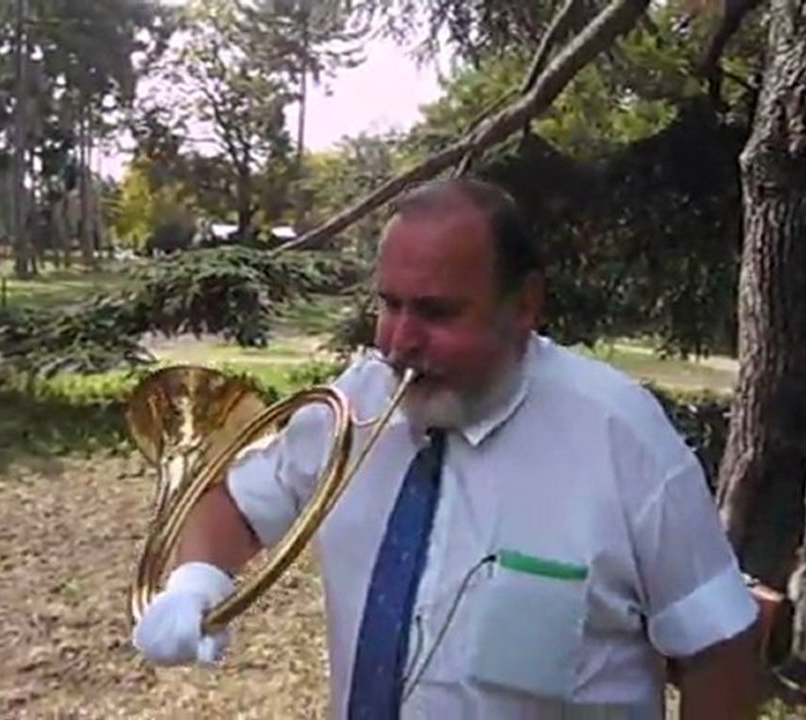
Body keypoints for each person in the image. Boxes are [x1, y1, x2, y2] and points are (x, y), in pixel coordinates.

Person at [132, 178, 762, 719]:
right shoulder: (357, 401)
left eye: (435, 312)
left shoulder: (620, 436)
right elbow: (235, 506)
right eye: (389, 304)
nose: (399, 341)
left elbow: (717, 647)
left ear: (525, 306)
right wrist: (195, 582)